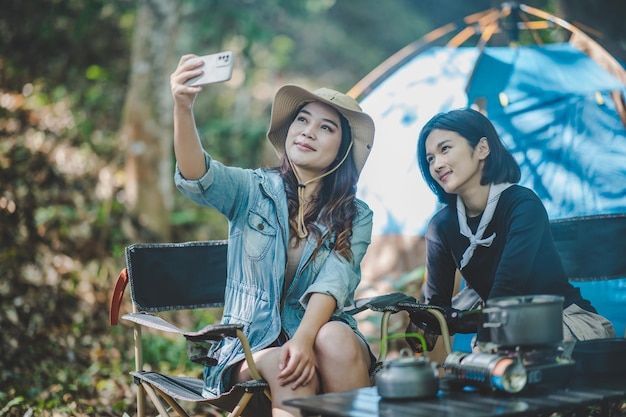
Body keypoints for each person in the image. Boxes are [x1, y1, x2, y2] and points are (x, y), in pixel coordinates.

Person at [170, 54, 376, 417]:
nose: (309, 131)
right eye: (302, 119)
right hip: (249, 349)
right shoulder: (251, 189)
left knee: (335, 337)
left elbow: (335, 281)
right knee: (289, 369)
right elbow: (198, 176)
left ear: (343, 150)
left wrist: (303, 339)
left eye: (327, 127)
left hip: (322, 339)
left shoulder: (356, 215)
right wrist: (183, 108)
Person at [415, 108, 615, 348]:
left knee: (501, 355)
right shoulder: (442, 227)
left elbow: (507, 290)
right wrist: (417, 313)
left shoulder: (521, 204)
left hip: (565, 322)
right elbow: (437, 314)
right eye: (430, 159)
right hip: (504, 331)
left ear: (482, 148)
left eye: (444, 149)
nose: (437, 164)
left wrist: (466, 323)